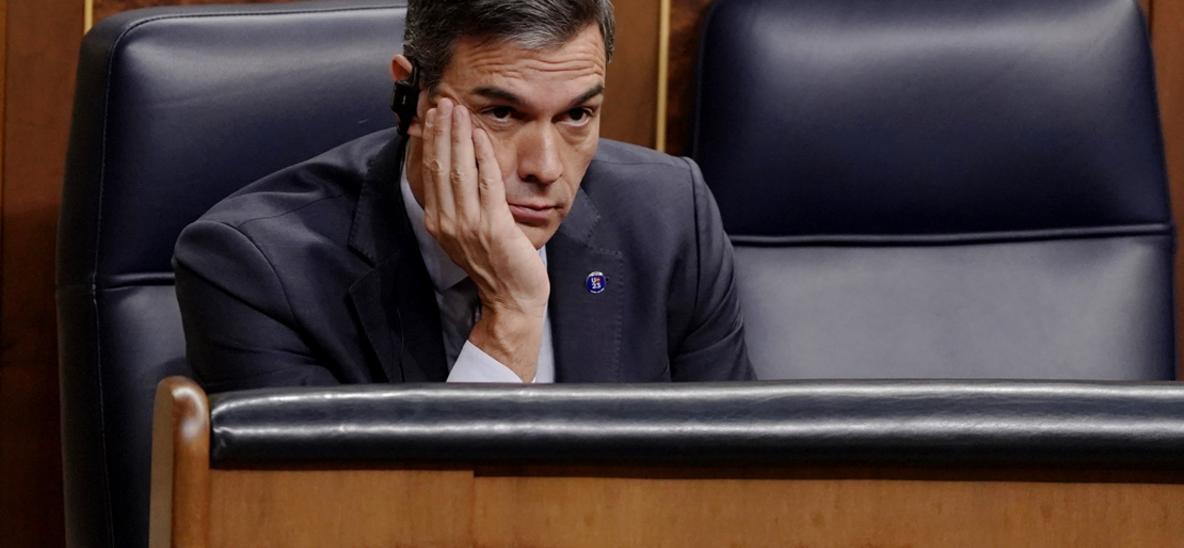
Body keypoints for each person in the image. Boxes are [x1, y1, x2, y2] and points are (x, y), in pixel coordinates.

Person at [174, 0, 754, 391]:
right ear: (413, 99)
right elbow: (337, 521)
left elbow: (736, 483)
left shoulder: (672, 217)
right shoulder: (256, 270)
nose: (546, 168)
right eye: (501, 113)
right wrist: (511, 314)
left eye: (578, 114)